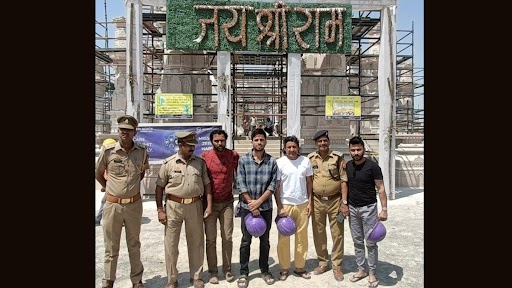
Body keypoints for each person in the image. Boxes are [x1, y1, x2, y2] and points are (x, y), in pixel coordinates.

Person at [95, 115, 149, 288]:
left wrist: (129, 191)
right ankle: (108, 281)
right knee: (111, 247)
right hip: (113, 206)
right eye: (121, 130)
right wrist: (110, 189)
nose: (124, 133)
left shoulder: (141, 151)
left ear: (135, 132)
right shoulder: (109, 151)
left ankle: (136, 280)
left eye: (128, 130)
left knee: (134, 244)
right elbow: (98, 173)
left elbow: (141, 174)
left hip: (133, 205)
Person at [154, 131, 212, 288]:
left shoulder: (199, 162)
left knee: (196, 243)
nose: (192, 148)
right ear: (180, 145)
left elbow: (207, 184)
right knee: (171, 244)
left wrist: (209, 205)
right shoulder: (169, 163)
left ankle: (197, 276)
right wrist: (160, 209)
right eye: (189, 145)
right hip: (173, 207)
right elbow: (159, 187)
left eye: (193, 145)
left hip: (195, 206)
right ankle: (172, 279)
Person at [236, 128, 278, 288]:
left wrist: (258, 202)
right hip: (248, 208)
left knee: (265, 241)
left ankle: (265, 269)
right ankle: (243, 272)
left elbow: (273, 185)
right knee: (246, 241)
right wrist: (251, 204)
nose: (259, 142)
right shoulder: (244, 160)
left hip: (265, 207)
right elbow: (241, 183)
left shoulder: (272, 162)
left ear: (265, 141)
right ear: (252, 141)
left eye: (262, 140)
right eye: (256, 140)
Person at [345, 136, 388, 288]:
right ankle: (361, 269)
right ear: (349, 150)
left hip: (369, 208)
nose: (356, 152)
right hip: (352, 208)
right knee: (357, 241)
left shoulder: (372, 166)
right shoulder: (348, 166)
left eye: (358, 149)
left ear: (363, 149)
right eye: (353, 150)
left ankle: (372, 273)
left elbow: (381, 188)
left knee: (371, 242)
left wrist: (384, 209)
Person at [307, 130, 348, 282]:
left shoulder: (337, 157)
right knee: (318, 233)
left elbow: (344, 181)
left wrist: (344, 203)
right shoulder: (310, 158)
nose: (322, 144)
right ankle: (323, 262)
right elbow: (309, 182)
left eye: (325, 141)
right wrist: (309, 202)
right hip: (317, 201)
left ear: (328, 141)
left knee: (337, 234)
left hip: (335, 201)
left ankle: (337, 266)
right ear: (316, 143)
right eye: (320, 142)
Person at [200, 129, 240, 284]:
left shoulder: (233, 156)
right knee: (210, 239)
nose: (220, 143)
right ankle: (213, 272)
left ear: (226, 140)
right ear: (211, 141)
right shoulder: (205, 158)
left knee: (227, 237)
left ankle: (227, 270)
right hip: (209, 204)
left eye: (222, 140)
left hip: (227, 202)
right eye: (216, 141)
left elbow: (240, 175)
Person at [273, 135, 313, 281]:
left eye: (294, 147)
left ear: (298, 148)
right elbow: (276, 187)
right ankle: (284, 268)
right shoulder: (279, 163)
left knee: (302, 237)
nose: (291, 149)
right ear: (284, 148)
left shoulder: (305, 161)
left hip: (302, 204)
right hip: (286, 206)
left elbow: (309, 183)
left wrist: (310, 203)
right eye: (289, 147)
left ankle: (300, 267)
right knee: (283, 238)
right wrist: (279, 206)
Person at [96, 138, 117, 226]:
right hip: (109, 185)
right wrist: (104, 185)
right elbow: (100, 173)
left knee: (105, 202)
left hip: (113, 186)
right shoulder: (106, 158)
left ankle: (98, 219)